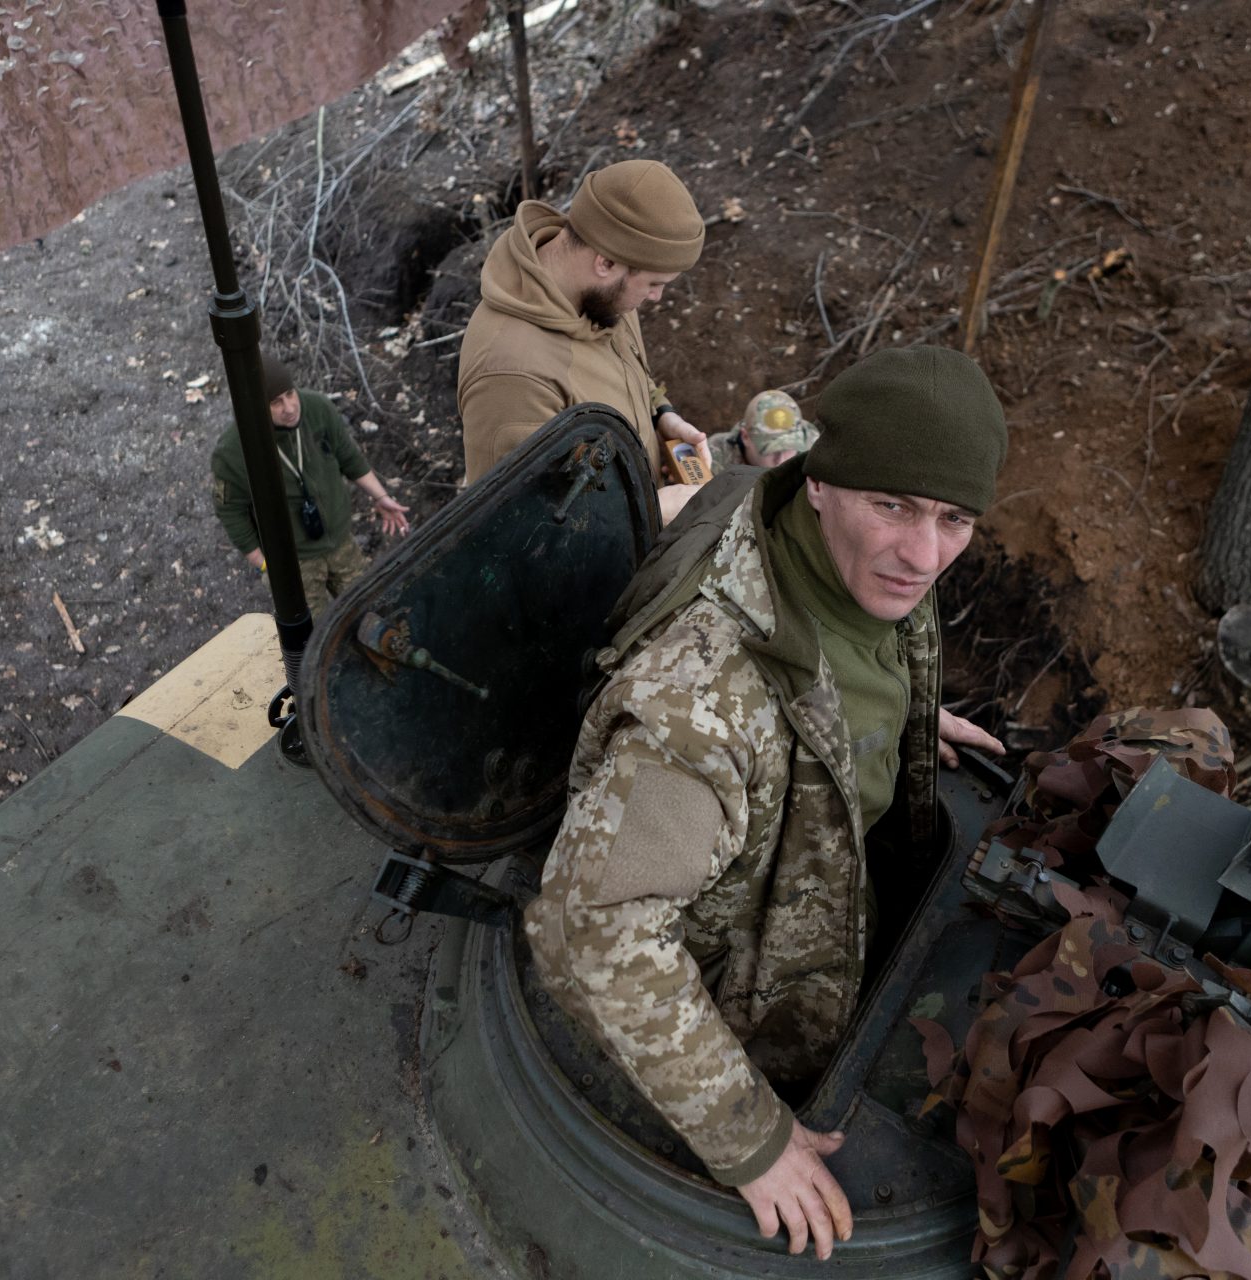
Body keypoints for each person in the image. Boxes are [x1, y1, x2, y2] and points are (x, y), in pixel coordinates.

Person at [524, 346, 1009, 1261]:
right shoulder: (698, 711)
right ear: (818, 481)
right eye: (892, 504)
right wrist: (749, 1138)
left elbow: (848, 648)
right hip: (733, 984)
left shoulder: (840, 559)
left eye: (955, 519)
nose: (925, 554)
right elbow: (592, 931)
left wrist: (898, 715)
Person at [457, 159, 709, 509]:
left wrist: (661, 416)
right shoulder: (511, 374)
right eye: (654, 283)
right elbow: (527, 526)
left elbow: (625, 374)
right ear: (605, 262)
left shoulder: (604, 296)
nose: (656, 298)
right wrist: (654, 513)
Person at [210, 355, 411, 616]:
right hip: (294, 563)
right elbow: (230, 511)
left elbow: (348, 456)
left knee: (372, 612)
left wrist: (380, 496)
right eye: (276, 402)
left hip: (340, 543)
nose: (290, 407)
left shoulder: (317, 408)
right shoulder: (232, 452)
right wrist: (264, 565)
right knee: (314, 635)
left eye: (290, 394)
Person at [706, 389, 821, 472]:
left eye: (790, 448)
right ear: (745, 437)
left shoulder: (813, 448)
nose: (781, 461)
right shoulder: (714, 457)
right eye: (771, 450)